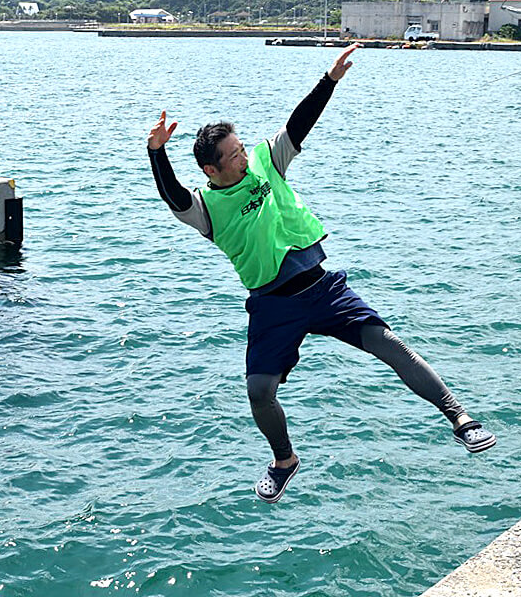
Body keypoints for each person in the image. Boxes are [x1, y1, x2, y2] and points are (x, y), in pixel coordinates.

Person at [146, 43, 496, 504]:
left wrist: (328, 80)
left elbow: (298, 124)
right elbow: (172, 195)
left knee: (390, 345)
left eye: (240, 148)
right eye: (232, 156)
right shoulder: (205, 209)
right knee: (259, 391)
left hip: (323, 288)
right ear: (212, 168)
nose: (243, 158)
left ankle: (460, 419)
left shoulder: (268, 162)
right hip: (272, 305)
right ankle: (284, 460)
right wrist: (156, 153)